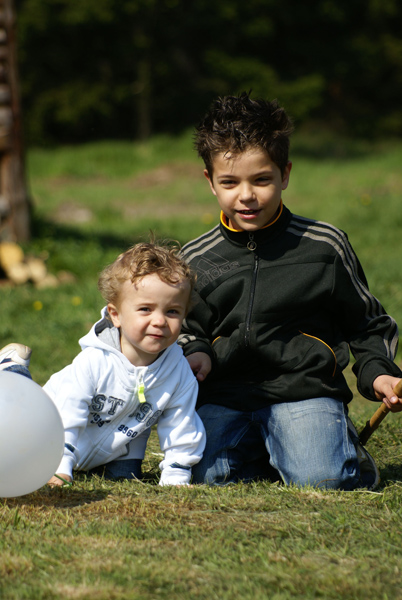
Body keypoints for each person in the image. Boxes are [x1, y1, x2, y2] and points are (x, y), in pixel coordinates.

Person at [178, 91, 402, 491]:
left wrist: (378, 373)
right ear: (210, 182)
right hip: (225, 394)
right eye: (230, 182)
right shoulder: (195, 257)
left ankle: (335, 452)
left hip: (303, 391)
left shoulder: (324, 245)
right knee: (199, 476)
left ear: (285, 174)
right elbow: (184, 327)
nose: (246, 195)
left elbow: (368, 323)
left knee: (323, 480)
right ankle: (273, 453)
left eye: (261, 179)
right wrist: (195, 348)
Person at [0, 242, 205, 486]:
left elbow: (181, 423)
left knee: (125, 478)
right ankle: (14, 370)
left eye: (172, 311)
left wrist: (176, 475)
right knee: (19, 424)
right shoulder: (95, 361)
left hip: (112, 449)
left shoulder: (177, 370)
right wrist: (60, 463)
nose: (159, 320)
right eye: (145, 309)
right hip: (46, 429)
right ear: (115, 315)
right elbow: (68, 412)